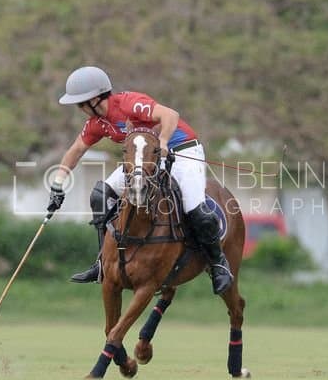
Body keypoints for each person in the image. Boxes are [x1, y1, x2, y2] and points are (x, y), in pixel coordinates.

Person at [45, 65, 234, 295]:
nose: (79, 108)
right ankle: (102, 262)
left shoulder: (129, 103)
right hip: (143, 159)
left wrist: (163, 141)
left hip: (183, 151)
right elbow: (76, 150)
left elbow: (170, 115)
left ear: (94, 99)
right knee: (100, 195)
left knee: (195, 208)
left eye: (80, 103)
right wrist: (58, 183)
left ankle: (218, 264)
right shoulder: (98, 123)